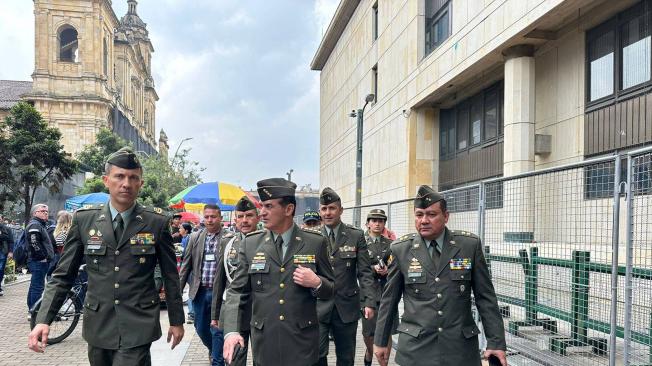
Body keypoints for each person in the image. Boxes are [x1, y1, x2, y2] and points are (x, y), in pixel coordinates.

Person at [28, 147, 185, 365]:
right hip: (98, 324)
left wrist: (177, 320)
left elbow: (170, 276)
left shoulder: (156, 222)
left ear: (140, 183)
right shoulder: (85, 220)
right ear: (106, 180)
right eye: (119, 176)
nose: (126, 183)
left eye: (133, 178)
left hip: (138, 323)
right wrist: (44, 319)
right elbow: (63, 274)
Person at [373, 185, 507, 366]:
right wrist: (380, 340)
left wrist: (496, 342)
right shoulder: (401, 249)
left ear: (446, 216)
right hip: (416, 349)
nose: (424, 220)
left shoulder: (468, 246)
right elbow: (389, 300)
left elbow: (486, 298)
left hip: (459, 349)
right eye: (419, 215)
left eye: (431, 214)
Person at [222, 178, 335, 365]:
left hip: (302, 341)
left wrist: (317, 283)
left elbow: (331, 289)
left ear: (288, 209)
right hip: (266, 340)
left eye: (268, 206)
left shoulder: (315, 242)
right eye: (261, 206)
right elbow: (236, 291)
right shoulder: (251, 244)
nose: (262, 212)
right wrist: (232, 331)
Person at [315, 187, 378, 366]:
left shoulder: (355, 235)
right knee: (317, 355)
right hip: (318, 307)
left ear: (341, 210)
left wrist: (369, 302)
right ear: (320, 211)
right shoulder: (311, 237)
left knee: (346, 357)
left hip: (347, 306)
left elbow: (365, 272)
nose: (328, 213)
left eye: (332, 208)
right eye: (324, 209)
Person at [210, 196, 260, 366]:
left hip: (262, 311)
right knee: (234, 360)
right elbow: (220, 279)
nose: (244, 220)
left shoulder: (268, 241)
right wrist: (215, 314)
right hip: (236, 312)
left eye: (249, 215)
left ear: (258, 217)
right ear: (235, 219)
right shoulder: (228, 242)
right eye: (240, 216)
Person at [179, 204, 226, 366]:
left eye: (213, 216)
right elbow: (186, 266)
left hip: (219, 293)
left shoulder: (228, 238)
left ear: (220, 218)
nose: (210, 220)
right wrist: (177, 292)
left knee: (217, 330)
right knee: (200, 328)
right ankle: (215, 351)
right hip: (199, 292)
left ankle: (218, 360)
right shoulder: (195, 237)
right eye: (206, 217)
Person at [362, 209, 396, 366]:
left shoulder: (390, 244)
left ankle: (384, 363)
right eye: (374, 220)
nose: (377, 223)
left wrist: (387, 270)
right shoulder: (361, 243)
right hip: (368, 294)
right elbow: (356, 269)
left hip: (386, 292)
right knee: (369, 333)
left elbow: (396, 266)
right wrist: (372, 269)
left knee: (387, 330)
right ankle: (369, 354)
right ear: (368, 223)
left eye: (381, 221)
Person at [25, 204, 55, 312]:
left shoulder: (40, 224)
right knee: (38, 287)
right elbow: (34, 242)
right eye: (42, 211)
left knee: (35, 285)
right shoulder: (35, 225)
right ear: (35, 213)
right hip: (38, 261)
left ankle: (32, 309)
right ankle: (35, 311)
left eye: (47, 211)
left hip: (39, 260)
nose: (46, 213)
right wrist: (43, 256)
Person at [47, 211, 72, 281]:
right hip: (65, 258)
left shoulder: (57, 231)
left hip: (58, 258)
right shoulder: (68, 231)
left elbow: (58, 244)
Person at [179, 222, 195, 324]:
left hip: (189, 269)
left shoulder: (189, 238)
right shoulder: (184, 238)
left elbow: (186, 253)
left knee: (191, 291)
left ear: (186, 230)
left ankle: (192, 314)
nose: (179, 229)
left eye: (181, 228)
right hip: (186, 268)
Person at [0, 215, 15, 296]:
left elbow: (11, 241)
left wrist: (10, 252)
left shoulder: (7, 229)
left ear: (2, 220)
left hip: (2, 251)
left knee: (0, 269)